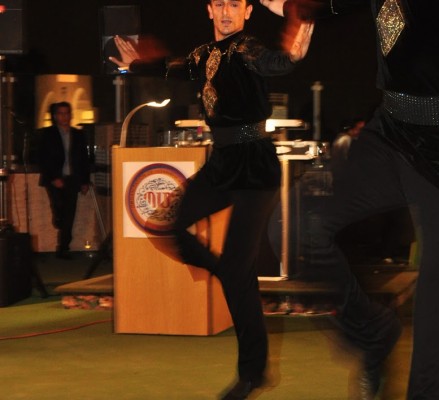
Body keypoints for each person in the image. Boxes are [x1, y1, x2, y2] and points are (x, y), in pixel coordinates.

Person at [260, 0, 439, 399]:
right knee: (295, 225)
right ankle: (373, 332)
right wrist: (297, 6)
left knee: (437, 335)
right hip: (394, 134)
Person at [110, 1, 313, 399]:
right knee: (166, 223)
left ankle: (252, 373)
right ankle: (226, 272)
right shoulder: (203, 54)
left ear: (247, 11)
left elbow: (273, 62)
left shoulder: (246, 47)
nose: (226, 11)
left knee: (238, 272)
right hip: (222, 165)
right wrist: (135, 65)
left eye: (234, 4)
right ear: (209, 9)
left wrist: (293, 53)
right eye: (219, 3)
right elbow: (173, 67)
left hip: (255, 168)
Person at [38, 102, 91, 260]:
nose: (64, 116)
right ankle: (59, 221)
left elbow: (84, 159)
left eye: (67, 113)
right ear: (55, 116)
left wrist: (85, 181)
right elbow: (43, 158)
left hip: (72, 178)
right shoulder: (48, 134)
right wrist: (54, 178)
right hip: (55, 179)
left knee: (70, 214)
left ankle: (63, 248)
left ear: (70, 115)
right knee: (59, 209)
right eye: (61, 113)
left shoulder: (78, 134)